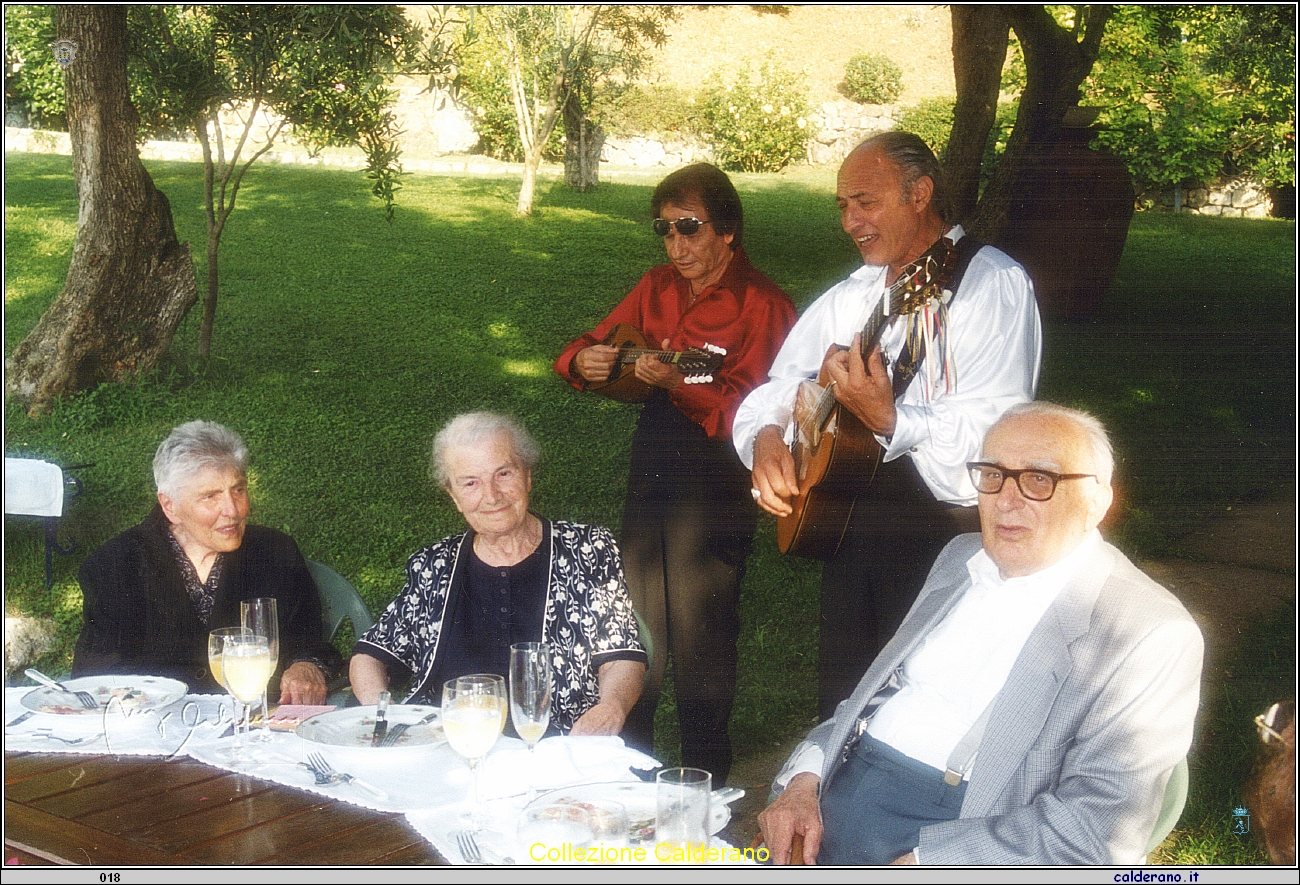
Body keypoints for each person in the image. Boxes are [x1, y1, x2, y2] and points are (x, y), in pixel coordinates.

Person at [757, 402, 1204, 865]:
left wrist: (926, 864)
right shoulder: (960, 559)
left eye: (1038, 480)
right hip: (835, 798)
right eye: (992, 475)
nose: (1006, 500)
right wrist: (801, 783)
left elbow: (1095, 834)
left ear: (1097, 501)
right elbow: (871, 700)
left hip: (964, 834)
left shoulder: (1148, 633)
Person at [735, 132, 1042, 719]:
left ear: (920, 194)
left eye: (865, 202)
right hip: (850, 521)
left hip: (941, 533)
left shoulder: (990, 285)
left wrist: (894, 419)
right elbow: (777, 388)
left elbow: (998, 433)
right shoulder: (856, 294)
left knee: (921, 710)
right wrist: (768, 438)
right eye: (843, 206)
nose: (851, 221)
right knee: (844, 702)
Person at [554, 163, 797, 781]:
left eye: (689, 228)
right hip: (656, 451)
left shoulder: (762, 303)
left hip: (718, 467)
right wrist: (587, 357)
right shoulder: (657, 286)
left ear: (729, 231)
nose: (677, 245)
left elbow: (755, 406)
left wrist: (681, 385)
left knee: (701, 623)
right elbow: (585, 347)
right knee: (637, 606)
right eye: (664, 231)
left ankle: (704, 772)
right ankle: (629, 758)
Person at [349, 412, 647, 735]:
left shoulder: (587, 550)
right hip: (448, 748)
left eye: (503, 473)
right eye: (471, 483)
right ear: (454, 496)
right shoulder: (434, 565)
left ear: (528, 476)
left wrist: (611, 707)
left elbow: (622, 655)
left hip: (556, 748)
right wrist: (382, 711)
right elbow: (370, 654)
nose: (491, 496)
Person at [73, 421, 339, 704]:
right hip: (156, 728)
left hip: (257, 726)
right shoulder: (114, 565)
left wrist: (307, 667)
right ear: (169, 506)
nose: (233, 510)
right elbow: (95, 674)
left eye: (238, 490)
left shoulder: (275, 553)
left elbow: (312, 644)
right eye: (211, 496)